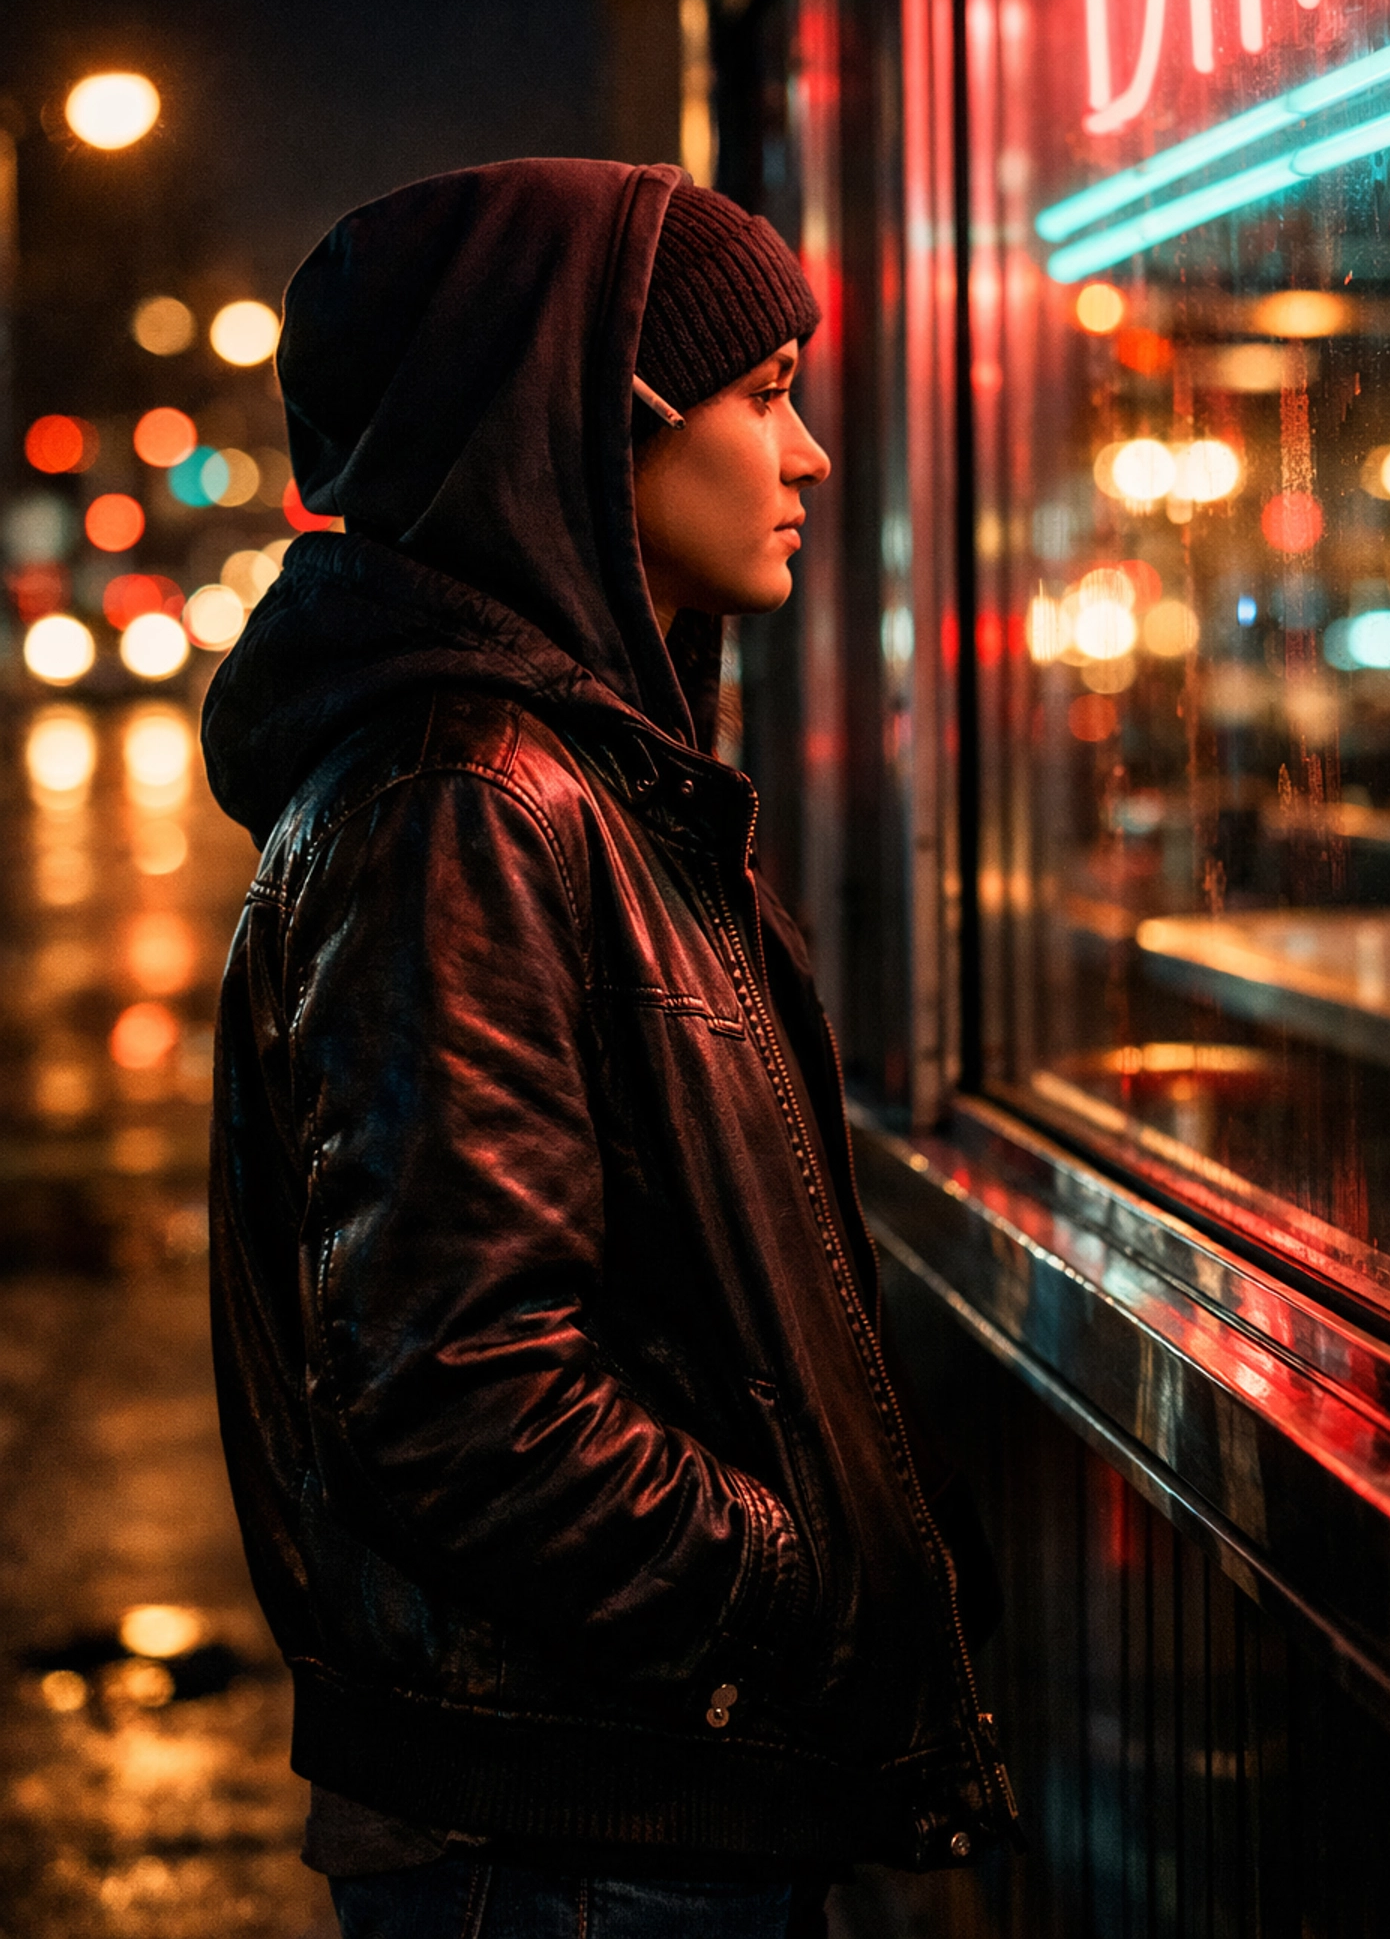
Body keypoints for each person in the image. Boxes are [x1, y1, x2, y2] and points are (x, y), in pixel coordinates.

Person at [202, 158, 1014, 1939]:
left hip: (627, 1801)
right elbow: (458, 1389)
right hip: (575, 1839)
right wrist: (800, 1585)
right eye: (765, 395)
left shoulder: (568, 774)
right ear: (585, 422)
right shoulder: (469, 798)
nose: (806, 456)